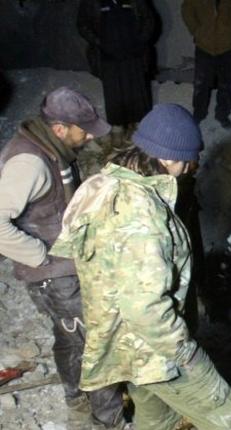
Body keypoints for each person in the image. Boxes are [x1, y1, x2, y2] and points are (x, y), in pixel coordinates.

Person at [50, 104, 231, 430]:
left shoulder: (103, 185)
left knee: (158, 420)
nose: (188, 169)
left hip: (121, 343)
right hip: (153, 350)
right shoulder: (143, 215)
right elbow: (145, 308)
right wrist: (186, 353)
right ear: (169, 158)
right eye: (187, 160)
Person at [0, 87, 124, 429]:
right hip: (55, 275)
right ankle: (107, 421)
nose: (87, 136)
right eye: (82, 129)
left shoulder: (50, 149)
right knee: (96, 346)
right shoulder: (29, 164)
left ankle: (78, 401)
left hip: (63, 268)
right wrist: (40, 256)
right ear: (59, 128)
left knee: (71, 338)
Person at [77, 0, 156, 138]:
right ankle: (119, 137)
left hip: (134, 59)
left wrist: (141, 40)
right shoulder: (92, 2)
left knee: (138, 97)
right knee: (115, 100)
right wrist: (100, 43)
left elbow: (149, 20)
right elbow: (83, 25)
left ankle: (143, 133)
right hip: (109, 61)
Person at [181, 0, 231, 129]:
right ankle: (199, 113)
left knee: (228, 84)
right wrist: (198, 32)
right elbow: (187, 10)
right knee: (201, 83)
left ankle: (222, 114)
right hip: (204, 46)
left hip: (229, 46)